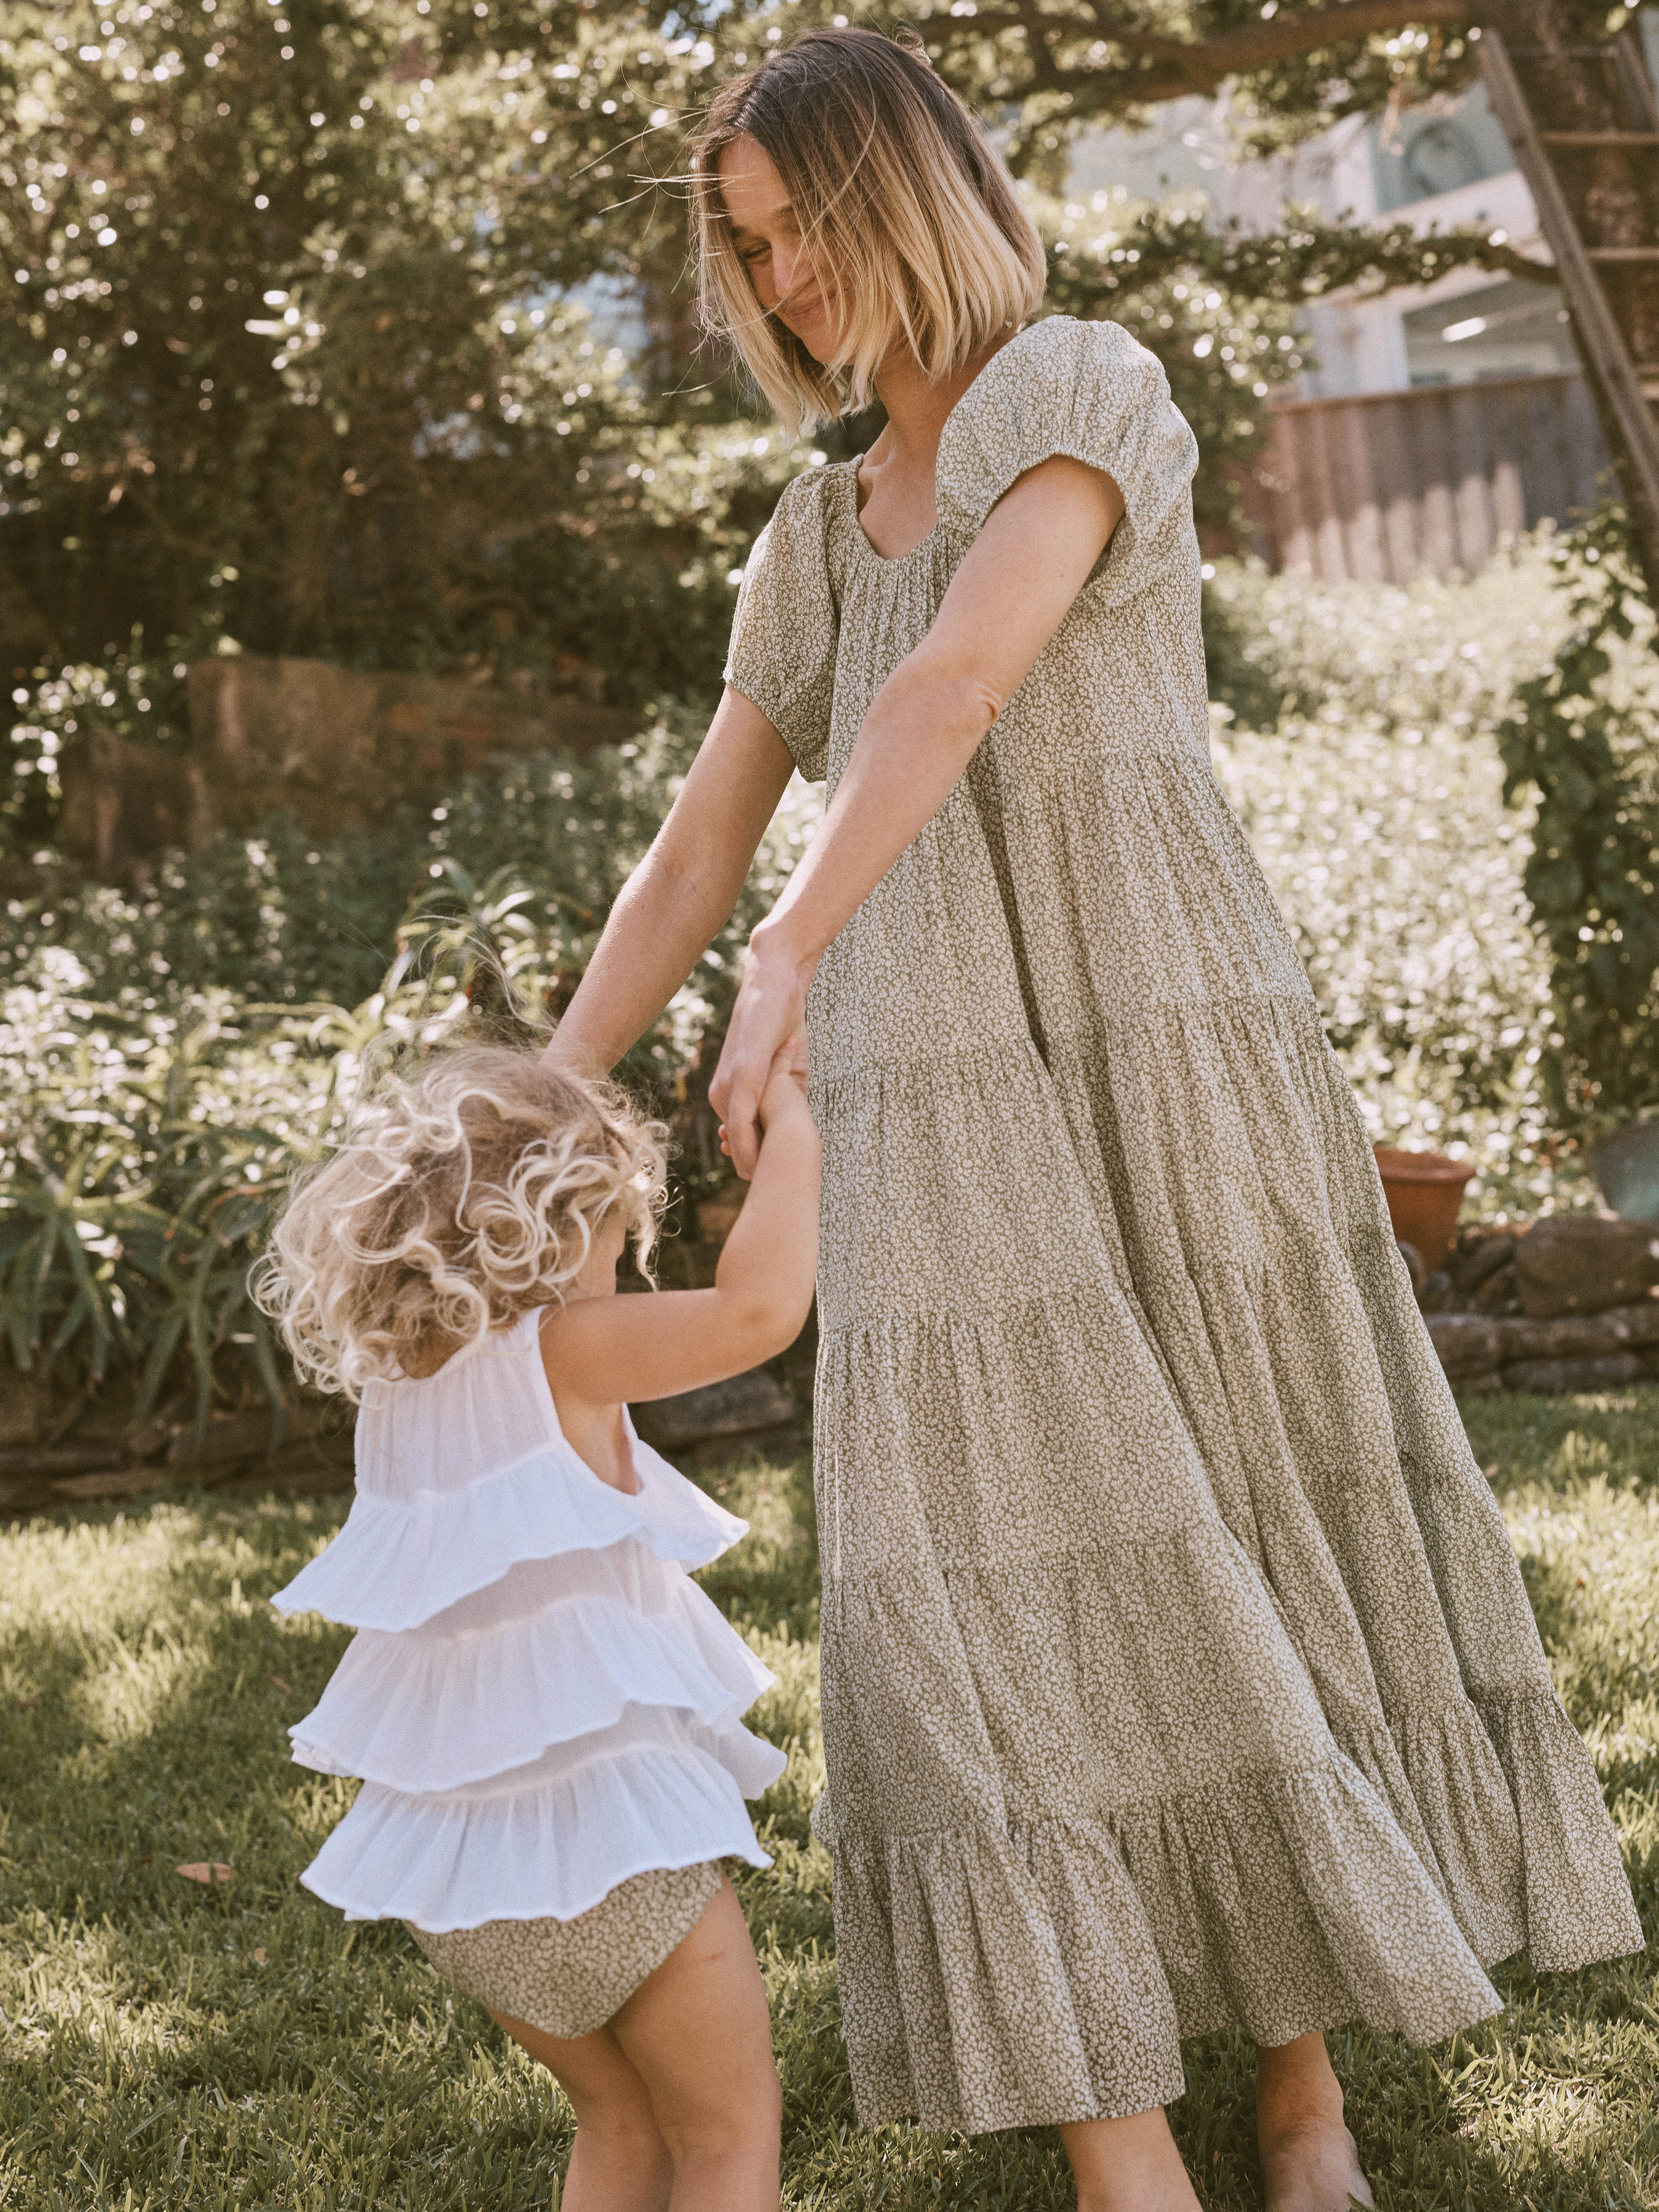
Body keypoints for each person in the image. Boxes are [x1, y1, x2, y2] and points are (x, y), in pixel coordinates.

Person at [543, 28, 1644, 2212]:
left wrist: (783, 958)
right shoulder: (810, 532)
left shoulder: (1079, 390)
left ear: (911, 193)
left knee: (1219, 1520)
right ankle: (1110, 2138)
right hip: (927, 1093)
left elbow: (957, 681)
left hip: (1158, 1048)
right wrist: (538, 1093)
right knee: (948, 1583)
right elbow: (692, 847)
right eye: (750, 250)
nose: (785, 279)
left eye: (807, 226)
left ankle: (1300, 2088)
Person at [257, 1038, 821, 2212]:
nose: (621, 1267)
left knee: (621, 2124)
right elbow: (760, 1310)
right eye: (617, 1239)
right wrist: (795, 1125)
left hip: (468, 1883)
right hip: (611, 1854)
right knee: (725, 2132)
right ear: (557, 1231)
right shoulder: (565, 1349)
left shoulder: (403, 1386)